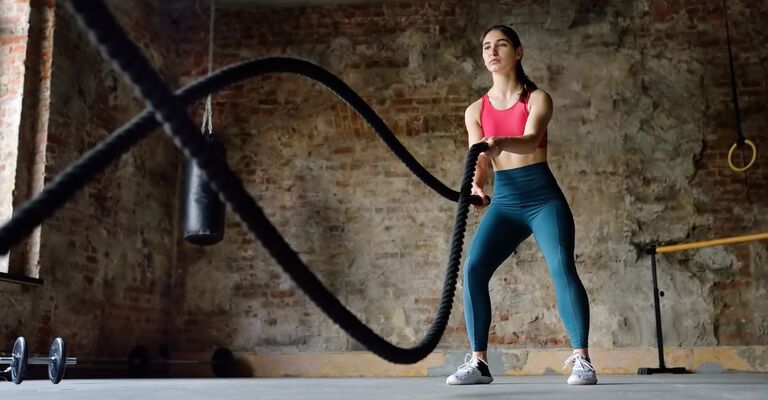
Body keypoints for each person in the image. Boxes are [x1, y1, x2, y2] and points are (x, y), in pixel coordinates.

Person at [446, 24, 597, 386]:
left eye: (500, 45)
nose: (492, 52)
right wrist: (478, 186)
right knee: (474, 269)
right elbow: (478, 159)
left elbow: (530, 140)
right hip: (507, 202)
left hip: (542, 197)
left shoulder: (538, 98)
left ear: (518, 51)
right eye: (486, 47)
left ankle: (582, 359)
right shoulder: (475, 110)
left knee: (561, 266)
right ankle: (479, 363)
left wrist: (500, 143)